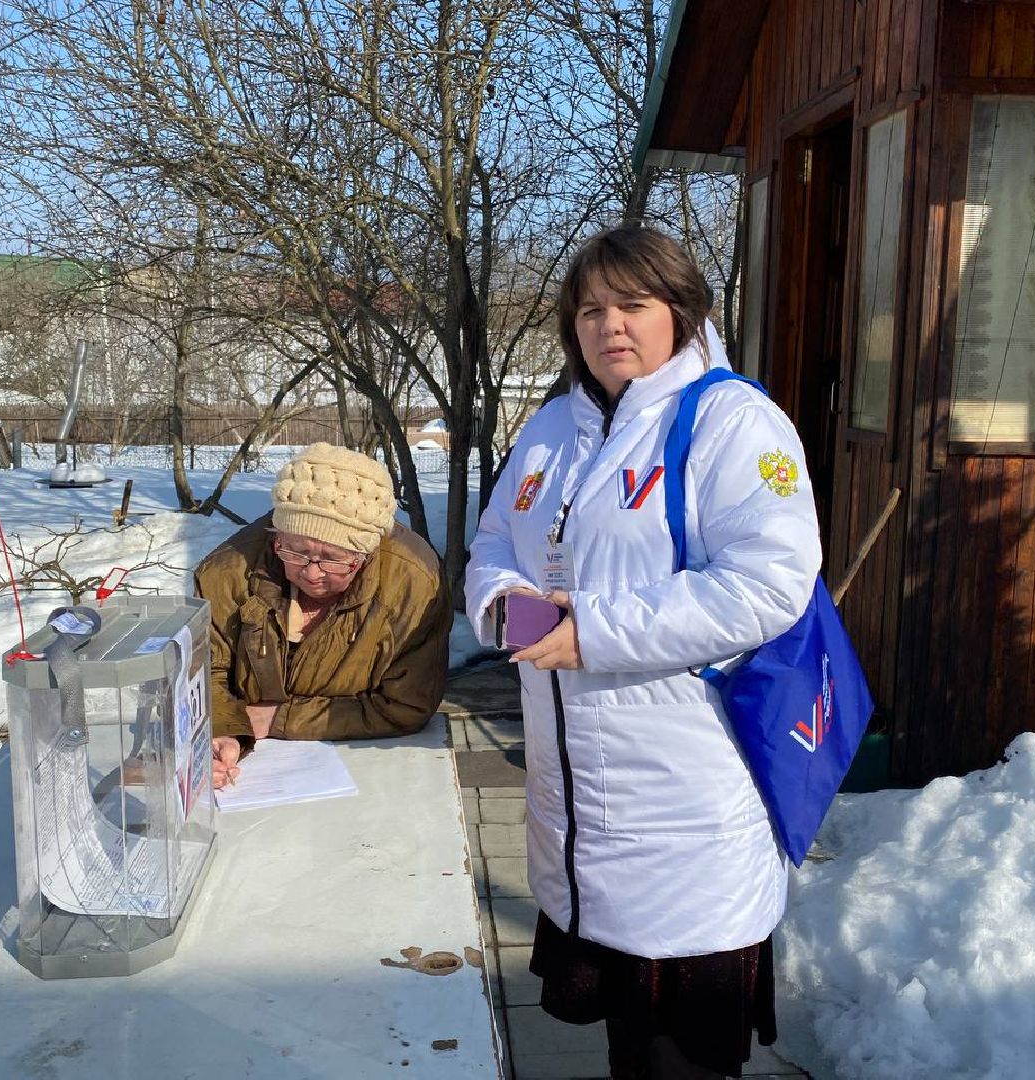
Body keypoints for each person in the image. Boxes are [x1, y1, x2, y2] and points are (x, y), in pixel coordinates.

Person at [465, 227, 822, 1079]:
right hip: (579, 806)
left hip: (683, 811)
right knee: (628, 1041)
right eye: (590, 308)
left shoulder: (734, 422)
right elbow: (494, 542)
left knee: (678, 1056)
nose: (609, 325)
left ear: (681, 310)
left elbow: (771, 583)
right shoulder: (554, 427)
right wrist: (502, 606)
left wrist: (590, 630)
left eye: (632, 305)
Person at [195, 442, 453, 789]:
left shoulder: (413, 584)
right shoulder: (226, 573)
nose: (313, 573)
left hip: (375, 770)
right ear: (276, 536)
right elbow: (206, 672)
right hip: (254, 772)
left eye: (333, 558)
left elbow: (406, 705)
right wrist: (225, 730)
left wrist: (277, 718)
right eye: (295, 552)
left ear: (365, 554)